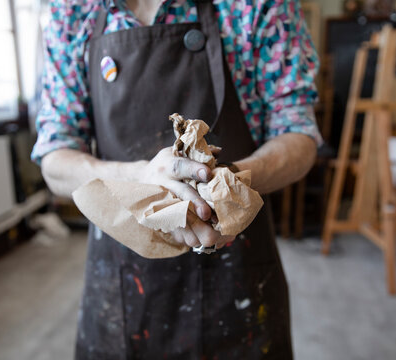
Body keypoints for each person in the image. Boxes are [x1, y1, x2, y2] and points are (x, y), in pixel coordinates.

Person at [32, 0, 322, 358]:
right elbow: (55, 160)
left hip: (236, 275)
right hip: (123, 279)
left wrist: (223, 186)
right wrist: (141, 177)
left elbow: (299, 136)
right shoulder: (73, 14)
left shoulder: (256, 6)